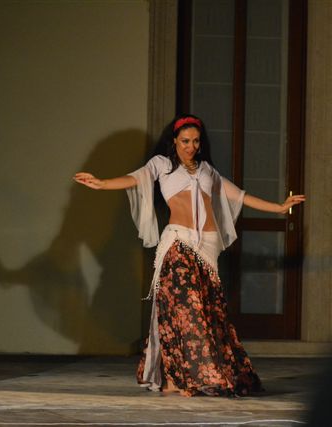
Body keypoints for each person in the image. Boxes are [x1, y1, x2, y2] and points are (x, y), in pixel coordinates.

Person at [73, 114, 305, 397]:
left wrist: (279, 207)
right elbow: (134, 178)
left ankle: (185, 377)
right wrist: (102, 183)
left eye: (195, 141)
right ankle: (182, 377)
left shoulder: (207, 170)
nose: (190, 146)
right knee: (182, 309)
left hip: (207, 246)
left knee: (209, 311)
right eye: (185, 141)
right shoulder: (162, 165)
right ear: (174, 140)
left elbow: (240, 196)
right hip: (178, 241)